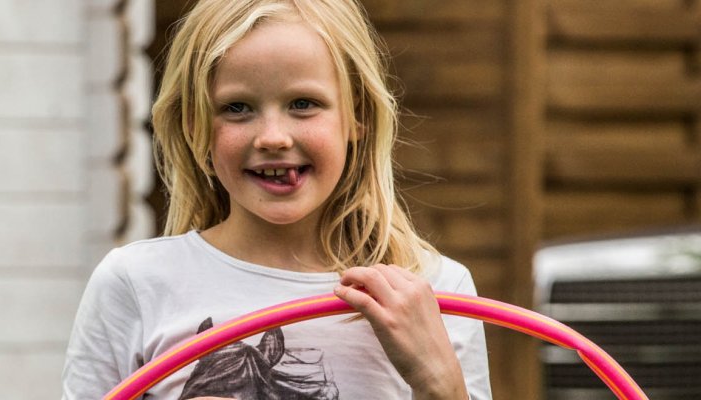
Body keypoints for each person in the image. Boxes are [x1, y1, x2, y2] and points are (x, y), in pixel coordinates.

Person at [62, 0, 491, 399]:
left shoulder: (435, 292)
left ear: (356, 115)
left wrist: (442, 386)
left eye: (303, 104)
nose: (272, 137)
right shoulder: (135, 284)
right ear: (195, 125)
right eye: (236, 108)